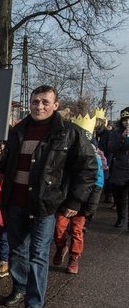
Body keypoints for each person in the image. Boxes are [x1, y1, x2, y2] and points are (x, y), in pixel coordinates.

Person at [0, 85, 97, 308]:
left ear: (56, 105)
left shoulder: (69, 133)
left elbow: (87, 168)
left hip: (44, 205)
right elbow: (6, 167)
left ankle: (34, 304)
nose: (39, 106)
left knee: (38, 254)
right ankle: (19, 288)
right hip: (14, 202)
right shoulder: (18, 130)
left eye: (45, 102)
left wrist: (76, 200)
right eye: (35, 101)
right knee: (17, 251)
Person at [52, 112, 104, 274]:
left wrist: (91, 206)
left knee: (76, 230)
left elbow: (97, 183)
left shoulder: (95, 158)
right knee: (58, 229)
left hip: (82, 202)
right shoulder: (66, 154)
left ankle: (74, 257)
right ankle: (61, 247)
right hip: (64, 199)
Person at [107, 107, 129, 227]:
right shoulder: (116, 133)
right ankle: (121, 217)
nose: (127, 122)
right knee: (120, 196)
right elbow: (111, 148)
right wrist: (122, 137)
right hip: (120, 167)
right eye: (125, 119)